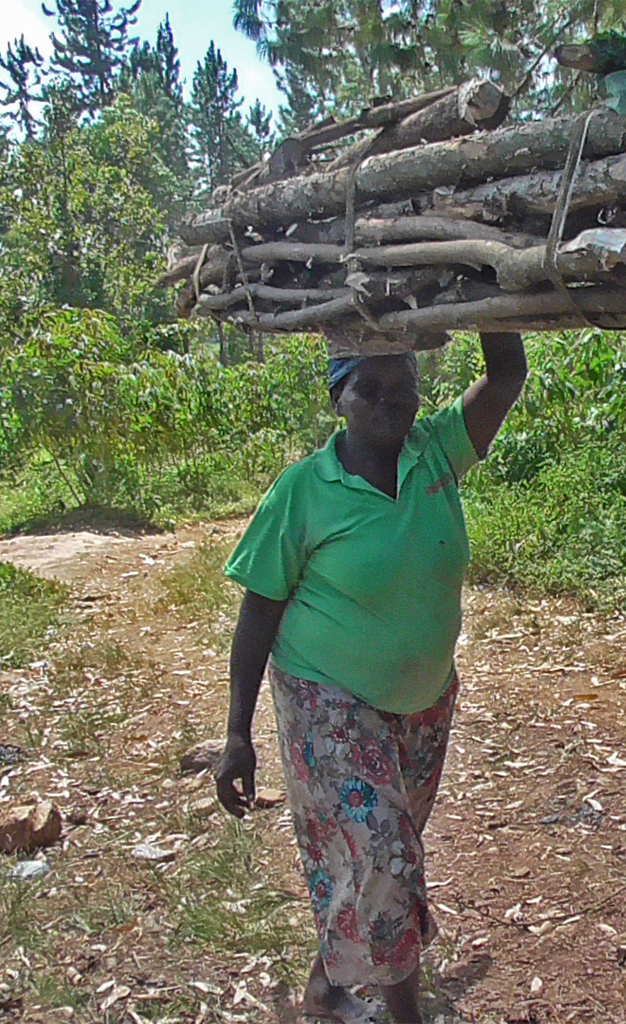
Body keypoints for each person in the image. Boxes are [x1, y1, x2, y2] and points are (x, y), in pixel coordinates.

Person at [214, 332, 528, 1024]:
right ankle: (406, 1016)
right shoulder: (303, 492)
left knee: (380, 855)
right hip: (327, 698)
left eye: (404, 386)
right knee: (385, 856)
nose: (392, 403)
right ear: (339, 397)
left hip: (423, 701)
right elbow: (258, 610)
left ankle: (327, 989)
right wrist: (237, 734)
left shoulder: (438, 454)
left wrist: (489, 294)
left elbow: (507, 375)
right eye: (370, 389)